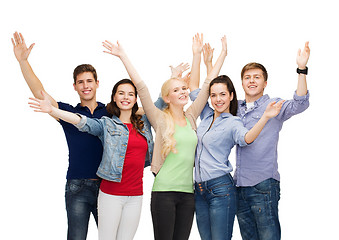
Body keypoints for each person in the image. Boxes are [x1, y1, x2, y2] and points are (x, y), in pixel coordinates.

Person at [100, 33, 223, 240]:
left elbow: (208, 84)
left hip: (188, 193)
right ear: (167, 97)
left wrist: (204, 55)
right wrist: (123, 56)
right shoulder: (158, 118)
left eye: (184, 88)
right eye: (177, 90)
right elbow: (141, 87)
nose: (184, 92)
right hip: (164, 192)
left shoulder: (192, 116)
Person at [28, 78, 154, 240]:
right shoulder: (106, 124)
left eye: (130, 94)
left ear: (136, 99)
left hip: (136, 196)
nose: (126, 97)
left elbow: (158, 106)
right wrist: (52, 110)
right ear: (114, 97)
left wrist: (175, 77)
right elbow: (81, 121)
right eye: (121, 93)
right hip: (111, 195)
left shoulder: (143, 123)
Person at [12, 32, 107, 240]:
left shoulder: (109, 111)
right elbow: (40, 93)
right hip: (77, 186)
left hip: (107, 186)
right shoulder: (67, 113)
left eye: (89, 81)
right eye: (80, 82)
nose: (85, 86)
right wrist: (23, 62)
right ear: (75, 86)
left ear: (97, 83)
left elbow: (139, 107)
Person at [188, 40, 284, 240]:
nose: (218, 99)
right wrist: (200, 58)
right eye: (214, 95)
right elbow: (195, 89)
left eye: (223, 94)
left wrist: (265, 117)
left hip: (221, 187)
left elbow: (246, 138)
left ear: (232, 96)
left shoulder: (233, 122)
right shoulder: (205, 115)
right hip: (198, 187)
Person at [235, 42, 310, 240]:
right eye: (247, 78)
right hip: (239, 187)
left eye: (257, 77)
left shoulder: (273, 105)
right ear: (242, 82)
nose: (252, 81)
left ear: (265, 83)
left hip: (264, 185)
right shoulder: (236, 109)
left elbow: (300, 104)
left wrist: (301, 69)